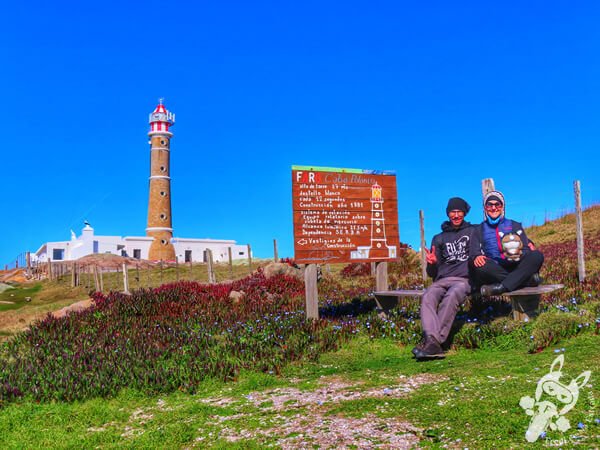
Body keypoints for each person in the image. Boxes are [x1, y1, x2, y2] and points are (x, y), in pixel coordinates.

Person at [413, 197, 479, 361]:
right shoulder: (439, 238)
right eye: (452, 212)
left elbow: (496, 234)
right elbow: (432, 273)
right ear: (448, 214)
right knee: (428, 295)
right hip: (442, 279)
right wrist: (433, 263)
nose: (456, 215)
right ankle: (433, 342)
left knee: (452, 295)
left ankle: (433, 342)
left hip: (465, 279)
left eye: (459, 212)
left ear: (464, 213)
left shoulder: (474, 231)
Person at [472, 190, 544, 296]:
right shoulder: (479, 229)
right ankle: (525, 281)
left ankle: (502, 287)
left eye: (497, 204)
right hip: (496, 269)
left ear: (502, 207)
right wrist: (476, 256)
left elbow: (525, 248)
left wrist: (518, 253)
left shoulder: (515, 225)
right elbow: (474, 252)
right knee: (478, 265)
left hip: (516, 265)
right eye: (489, 205)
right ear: (485, 208)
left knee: (537, 255)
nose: (493, 208)